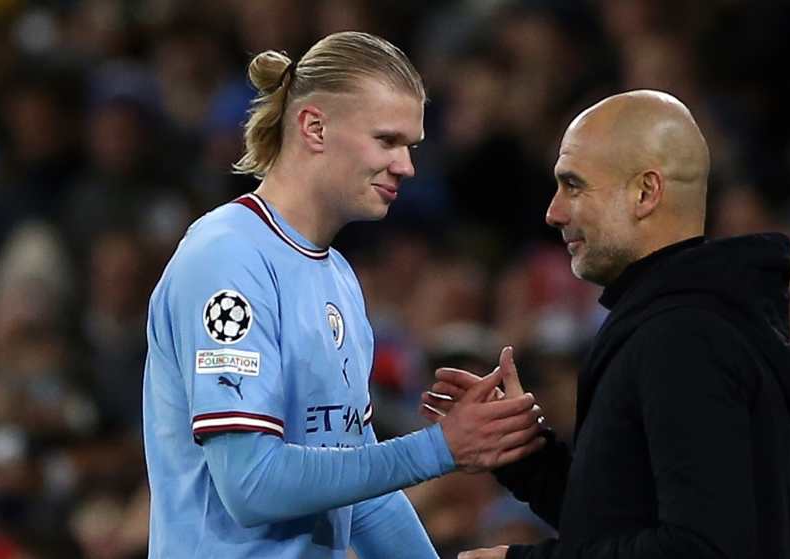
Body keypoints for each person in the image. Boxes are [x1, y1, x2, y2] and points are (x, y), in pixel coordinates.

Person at [142, 31, 545, 559]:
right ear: (315, 127)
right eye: (387, 140)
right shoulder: (228, 257)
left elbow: (364, 498)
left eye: (411, 146)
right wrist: (440, 447)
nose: (406, 166)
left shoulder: (338, 277)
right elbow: (250, 484)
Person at [422, 90, 790, 558]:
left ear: (645, 193)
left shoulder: (685, 336)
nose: (553, 212)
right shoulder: (672, 321)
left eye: (574, 185)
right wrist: (524, 454)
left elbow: (702, 549)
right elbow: (611, 523)